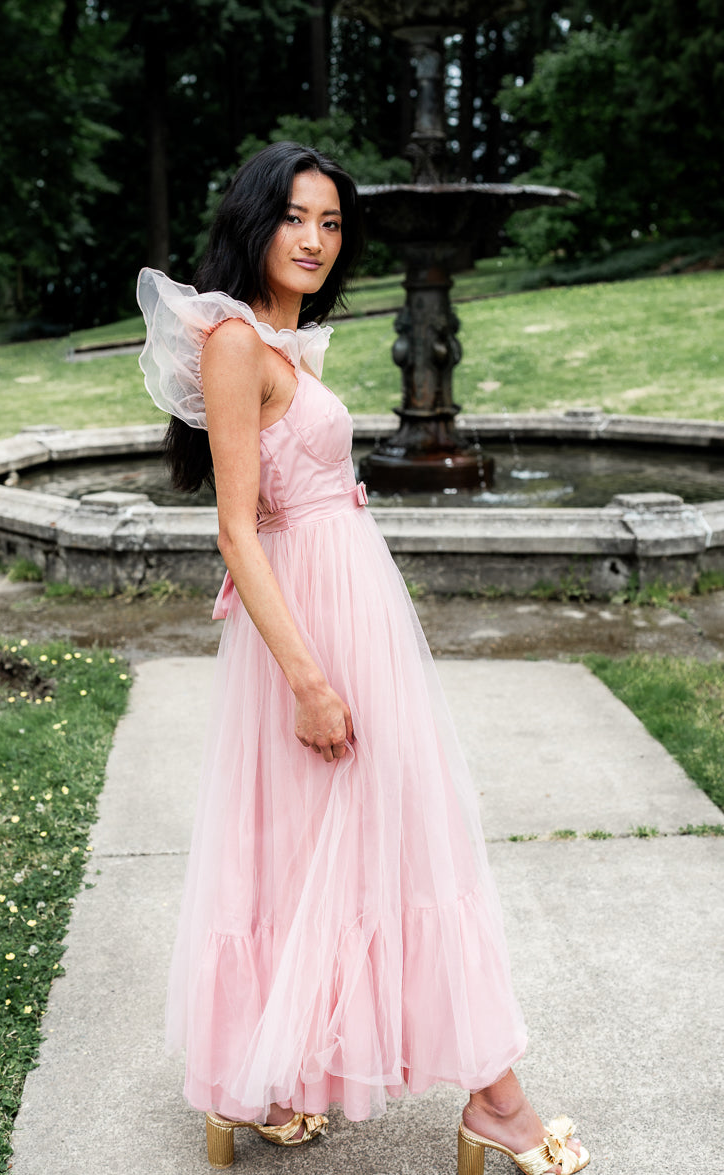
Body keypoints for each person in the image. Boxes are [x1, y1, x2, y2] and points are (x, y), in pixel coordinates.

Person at [137, 141, 589, 1175]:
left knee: (350, 839)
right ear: (257, 220)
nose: (315, 238)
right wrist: (307, 679)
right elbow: (238, 530)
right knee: (405, 836)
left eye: (333, 223)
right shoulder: (235, 339)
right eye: (297, 216)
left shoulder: (291, 338)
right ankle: (499, 1101)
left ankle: (272, 1079)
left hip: (349, 601)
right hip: (307, 628)